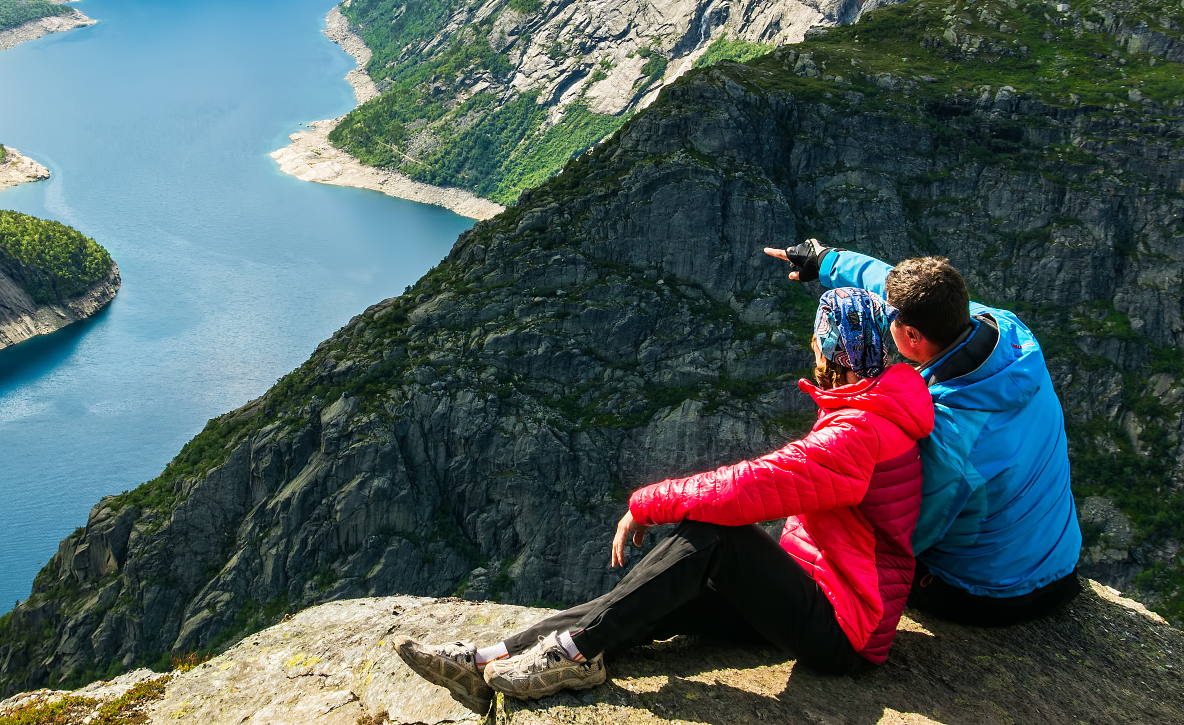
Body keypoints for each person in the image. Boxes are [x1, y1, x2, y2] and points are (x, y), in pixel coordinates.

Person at [393, 287, 933, 710]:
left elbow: (748, 486)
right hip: (817, 599)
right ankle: (489, 659)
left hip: (844, 630)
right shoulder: (873, 410)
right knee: (652, 593)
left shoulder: (858, 433)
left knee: (718, 535)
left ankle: (576, 655)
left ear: (831, 348)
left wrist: (646, 503)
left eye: (817, 341)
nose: (811, 349)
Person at [765, 240, 1082, 626]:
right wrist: (828, 260)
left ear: (912, 337)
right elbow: (896, 285)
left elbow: (903, 538)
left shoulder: (948, 434)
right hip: (1060, 564)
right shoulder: (1009, 332)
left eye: (891, 320)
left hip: (988, 593)